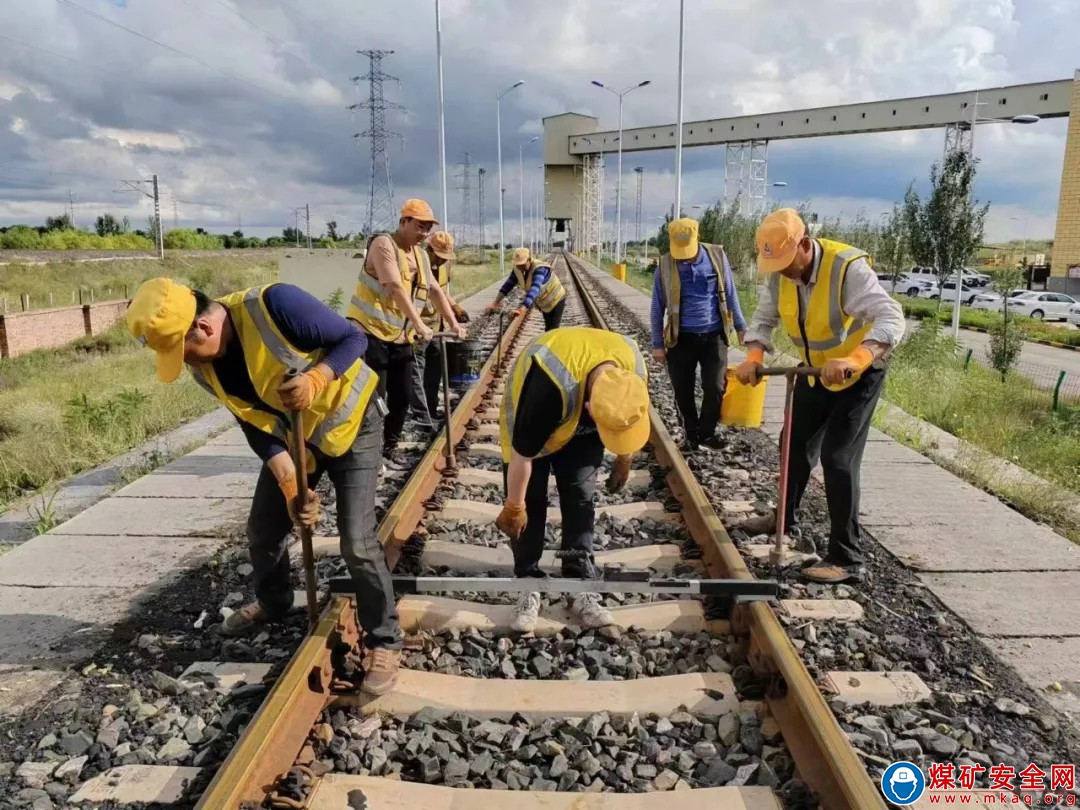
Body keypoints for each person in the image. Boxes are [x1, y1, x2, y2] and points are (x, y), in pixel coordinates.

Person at [124, 277, 403, 695]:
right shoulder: (205, 367)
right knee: (264, 529)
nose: (185, 363)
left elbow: (353, 339)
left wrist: (317, 377)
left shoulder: (277, 305)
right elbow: (253, 422)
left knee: (358, 542)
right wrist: (293, 488)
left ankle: (385, 640)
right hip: (297, 439)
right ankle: (275, 603)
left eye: (183, 351)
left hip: (352, 426)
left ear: (201, 328)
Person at [734, 209, 905, 584]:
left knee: (837, 458)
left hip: (858, 375)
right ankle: (783, 519)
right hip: (815, 372)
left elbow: (892, 318)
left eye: (786, 262)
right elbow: (764, 321)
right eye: (774, 264)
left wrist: (858, 357)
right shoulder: (781, 277)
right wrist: (753, 357)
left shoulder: (847, 268)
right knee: (792, 444)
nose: (782, 271)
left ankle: (847, 558)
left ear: (805, 245)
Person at [494, 326, 651, 632]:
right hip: (534, 426)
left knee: (581, 497)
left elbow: (631, 417)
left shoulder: (632, 372)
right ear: (589, 408)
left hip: (580, 430)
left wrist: (624, 458)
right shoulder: (549, 385)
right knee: (531, 503)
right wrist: (514, 505)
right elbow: (522, 456)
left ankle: (578, 579)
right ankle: (528, 580)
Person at [347, 199, 467, 467]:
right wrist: (421, 324)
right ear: (403, 222)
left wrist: (453, 323)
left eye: (427, 228)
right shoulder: (383, 245)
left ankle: (389, 449)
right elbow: (395, 288)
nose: (423, 233)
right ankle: (367, 456)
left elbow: (435, 291)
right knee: (374, 399)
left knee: (401, 396)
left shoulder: (421, 255)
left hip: (399, 337)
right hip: (370, 333)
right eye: (419, 226)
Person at [651, 217, 747, 452]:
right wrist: (657, 345)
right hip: (679, 338)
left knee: (714, 386)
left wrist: (742, 328)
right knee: (682, 390)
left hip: (714, 336)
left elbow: (731, 293)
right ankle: (691, 435)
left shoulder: (717, 256)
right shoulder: (664, 265)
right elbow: (657, 307)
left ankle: (707, 433)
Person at [408, 231, 470, 430]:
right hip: (416, 328)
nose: (443, 262)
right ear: (429, 250)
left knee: (434, 373)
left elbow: (442, 292)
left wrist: (455, 307)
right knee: (417, 373)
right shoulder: (414, 264)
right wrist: (417, 324)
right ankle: (422, 418)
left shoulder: (445, 266)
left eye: (446, 258)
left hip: (436, 326)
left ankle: (431, 411)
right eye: (440, 257)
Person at [486, 247, 566, 331]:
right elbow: (507, 286)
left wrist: (522, 308)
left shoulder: (539, 269)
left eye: (522, 264)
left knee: (552, 330)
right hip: (544, 302)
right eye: (518, 265)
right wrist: (495, 303)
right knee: (548, 328)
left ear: (529, 260)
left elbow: (534, 289)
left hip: (557, 298)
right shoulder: (517, 269)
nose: (520, 267)